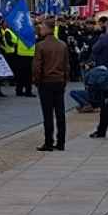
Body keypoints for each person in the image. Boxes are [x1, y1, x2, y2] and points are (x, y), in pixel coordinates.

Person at [32, 20, 70, 151]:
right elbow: (66, 65)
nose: (40, 30)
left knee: (47, 114)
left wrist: (37, 81)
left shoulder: (41, 46)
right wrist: (65, 80)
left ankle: (48, 142)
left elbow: (37, 67)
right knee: (60, 113)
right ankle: (61, 142)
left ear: (48, 29)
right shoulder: (62, 45)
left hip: (46, 82)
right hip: (59, 81)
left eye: (42, 27)